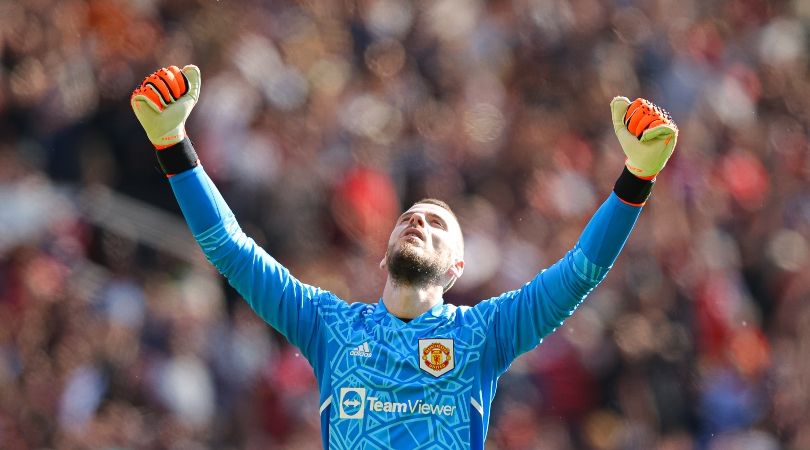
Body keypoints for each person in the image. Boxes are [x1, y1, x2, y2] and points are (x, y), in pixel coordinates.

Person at [130, 64, 678, 449]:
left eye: (438, 224)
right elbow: (231, 252)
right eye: (408, 218)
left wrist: (636, 179)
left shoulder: (485, 333)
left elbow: (580, 271)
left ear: (457, 268)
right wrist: (172, 145)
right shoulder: (328, 325)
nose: (417, 221)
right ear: (384, 252)